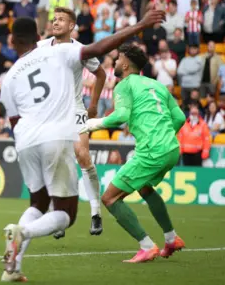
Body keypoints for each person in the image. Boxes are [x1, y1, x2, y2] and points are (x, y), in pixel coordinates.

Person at [0, 9, 165, 281]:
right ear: (39, 36)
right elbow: (100, 47)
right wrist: (140, 25)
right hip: (53, 136)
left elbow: (14, 120)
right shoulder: (58, 51)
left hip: (25, 141)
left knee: (38, 204)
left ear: (12, 41)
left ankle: (13, 267)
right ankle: (23, 232)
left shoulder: (10, 77)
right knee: (65, 214)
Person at [80, 44, 186, 263]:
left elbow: (121, 116)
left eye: (118, 59)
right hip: (171, 149)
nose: (116, 63)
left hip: (152, 151)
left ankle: (146, 246)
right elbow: (180, 118)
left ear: (125, 64)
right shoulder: (157, 85)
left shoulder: (124, 85)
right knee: (145, 188)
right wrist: (164, 136)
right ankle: (171, 238)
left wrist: (91, 124)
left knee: (110, 198)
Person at [37, 7, 106, 238]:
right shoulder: (42, 47)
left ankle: (96, 212)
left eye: (61, 20)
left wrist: (94, 105)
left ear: (72, 26)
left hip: (75, 108)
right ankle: (57, 216)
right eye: (54, 19)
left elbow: (101, 75)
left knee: (82, 154)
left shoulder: (81, 51)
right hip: (51, 111)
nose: (56, 23)